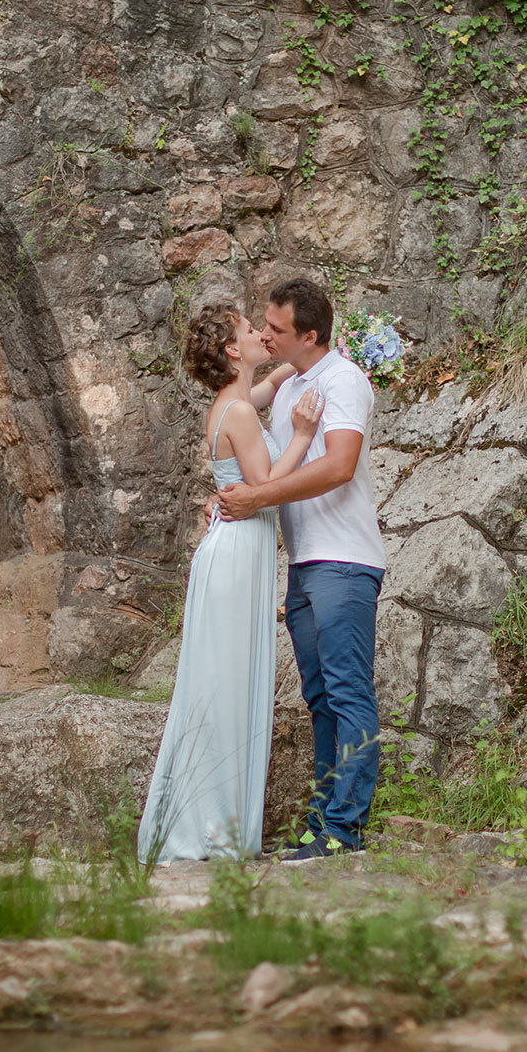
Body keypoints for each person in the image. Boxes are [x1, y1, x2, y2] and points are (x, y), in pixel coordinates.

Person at [136, 304, 323, 863]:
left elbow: (271, 384)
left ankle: (214, 820)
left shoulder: (235, 401)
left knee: (224, 683)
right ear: (232, 350)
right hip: (237, 555)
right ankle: (210, 828)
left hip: (234, 551)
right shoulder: (238, 413)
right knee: (225, 687)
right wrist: (303, 434)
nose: (261, 332)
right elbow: (264, 486)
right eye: (249, 329)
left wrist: (313, 356)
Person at [218, 278, 388, 860]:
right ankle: (319, 823)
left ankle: (345, 829)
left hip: (344, 560)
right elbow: (239, 406)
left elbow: (340, 466)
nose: (266, 333)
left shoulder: (343, 381)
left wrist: (258, 498)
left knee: (347, 693)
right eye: (263, 324)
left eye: (277, 328)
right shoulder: (292, 380)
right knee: (319, 698)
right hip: (304, 561)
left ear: (310, 335)